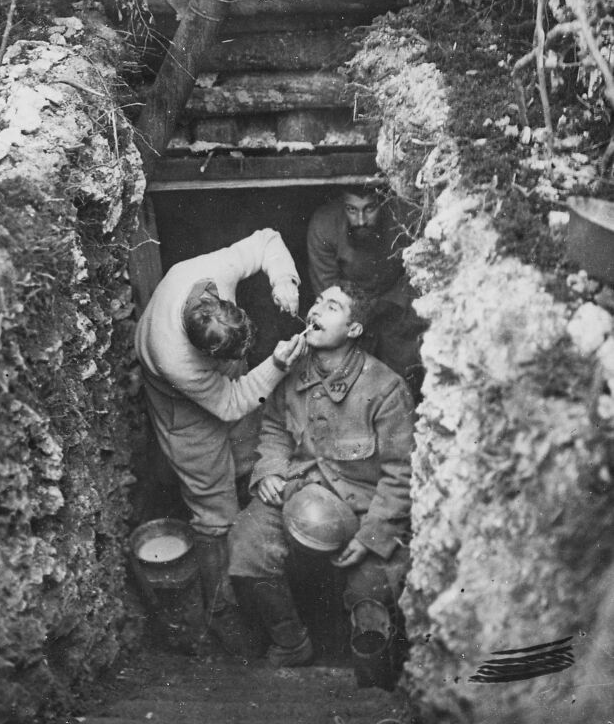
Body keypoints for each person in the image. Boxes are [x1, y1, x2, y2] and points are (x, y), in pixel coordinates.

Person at [228, 281, 415, 688]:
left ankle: (373, 684)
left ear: (353, 330)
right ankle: (291, 642)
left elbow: (401, 474)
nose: (314, 311)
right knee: (248, 544)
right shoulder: (292, 372)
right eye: (316, 302)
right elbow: (274, 426)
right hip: (296, 490)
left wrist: (371, 537)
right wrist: (271, 470)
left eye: (331, 307)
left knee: (372, 593)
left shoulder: (385, 389)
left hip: (363, 507)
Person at [134, 228, 306, 652]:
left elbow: (267, 241)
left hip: (229, 386)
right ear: (204, 354)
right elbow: (230, 404)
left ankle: (258, 568)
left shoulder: (213, 272)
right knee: (215, 513)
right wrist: (277, 366)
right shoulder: (176, 359)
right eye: (223, 360)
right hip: (186, 416)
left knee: (251, 466)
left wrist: (283, 279)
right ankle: (222, 611)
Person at [306, 183, 426, 401]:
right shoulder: (324, 225)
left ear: (383, 201)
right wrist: (356, 316)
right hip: (352, 308)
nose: (361, 220)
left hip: (397, 303)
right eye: (352, 209)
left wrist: (393, 303)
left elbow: (421, 270)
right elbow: (328, 290)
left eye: (370, 208)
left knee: (403, 375)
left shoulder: (404, 215)